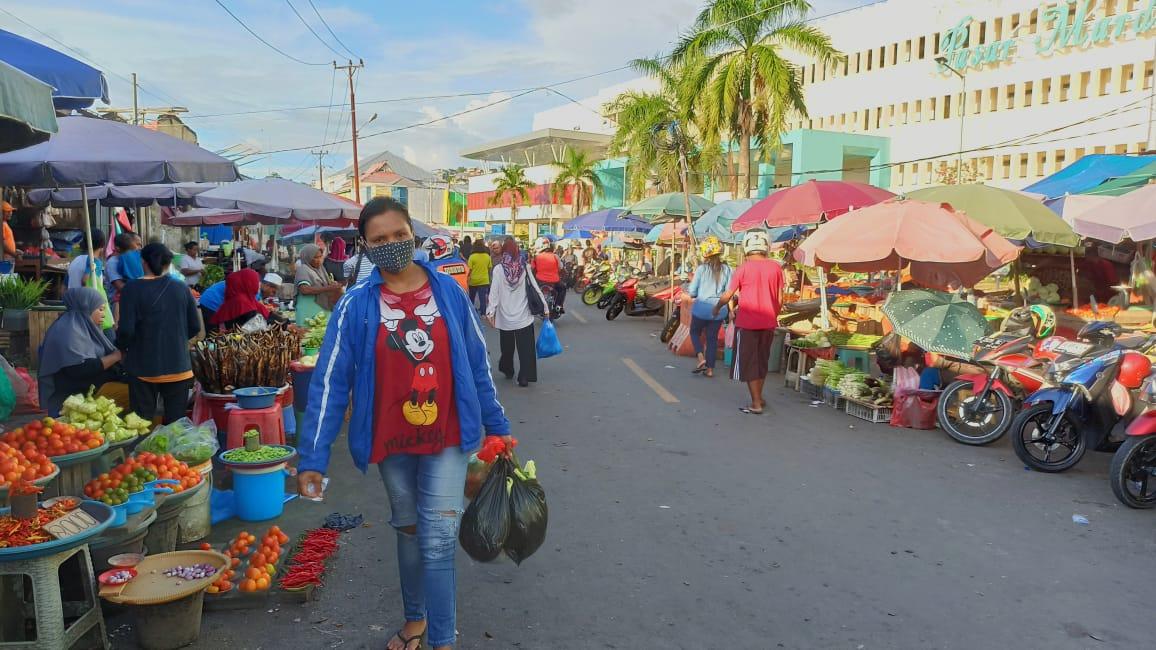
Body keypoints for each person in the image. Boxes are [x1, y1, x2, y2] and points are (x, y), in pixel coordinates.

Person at [297, 197, 511, 650]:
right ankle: (415, 620)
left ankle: (442, 640)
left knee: (435, 539)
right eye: (379, 240)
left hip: (449, 436)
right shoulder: (356, 305)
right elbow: (330, 381)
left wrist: (497, 425)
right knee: (410, 528)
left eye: (398, 235)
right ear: (366, 247)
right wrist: (312, 457)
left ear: (412, 234)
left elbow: (477, 364)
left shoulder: (449, 293)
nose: (391, 245)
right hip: (390, 440)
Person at [116, 243, 202, 424]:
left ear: (143, 262)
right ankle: (174, 453)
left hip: (143, 367)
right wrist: (175, 340)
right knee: (175, 424)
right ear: (168, 263)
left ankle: (143, 452)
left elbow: (126, 330)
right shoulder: (181, 287)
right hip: (178, 366)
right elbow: (194, 326)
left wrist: (122, 348)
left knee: (141, 423)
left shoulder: (131, 289)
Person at [713, 231, 784, 415]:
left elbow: (728, 294)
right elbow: (780, 298)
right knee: (761, 361)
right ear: (766, 246)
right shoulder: (776, 268)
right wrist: (772, 315)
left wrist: (717, 307)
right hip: (768, 323)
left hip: (747, 324)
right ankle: (759, 397)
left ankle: (756, 403)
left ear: (746, 247)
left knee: (749, 362)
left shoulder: (742, 269)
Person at [37, 288, 125, 416]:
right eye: (100, 309)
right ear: (86, 308)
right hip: (72, 399)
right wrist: (116, 356)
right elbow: (80, 369)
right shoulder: (67, 331)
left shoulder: (82, 326)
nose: (104, 314)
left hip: (87, 390)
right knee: (131, 393)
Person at [486, 237, 547, 387]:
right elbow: (535, 287)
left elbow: (494, 293)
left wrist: (490, 312)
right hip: (523, 315)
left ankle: (508, 369)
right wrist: (545, 307)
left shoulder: (499, 269)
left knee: (507, 347)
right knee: (526, 347)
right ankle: (524, 377)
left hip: (505, 316)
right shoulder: (524, 266)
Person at [687, 236, 733, 379]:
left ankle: (701, 357)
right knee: (712, 338)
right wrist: (730, 311)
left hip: (701, 309)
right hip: (719, 311)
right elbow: (729, 292)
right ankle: (710, 369)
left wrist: (695, 294)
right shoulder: (727, 269)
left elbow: (692, 291)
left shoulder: (701, 269)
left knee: (694, 332)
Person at [295, 244, 343, 327]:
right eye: (315, 257)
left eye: (320, 257)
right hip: (308, 311)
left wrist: (333, 285)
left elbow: (324, 286)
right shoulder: (303, 269)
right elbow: (304, 289)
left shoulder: (321, 269)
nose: (319, 260)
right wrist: (329, 288)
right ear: (307, 257)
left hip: (321, 311)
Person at [530, 237, 564, 314]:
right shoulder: (555, 256)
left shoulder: (536, 257)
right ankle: (558, 306)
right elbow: (561, 268)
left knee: (532, 291)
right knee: (562, 289)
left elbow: (532, 269)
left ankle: (534, 306)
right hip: (554, 281)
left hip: (540, 281)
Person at [466, 240, 492, 314]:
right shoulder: (487, 256)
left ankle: (471, 312)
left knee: (472, 297)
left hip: (473, 280)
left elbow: (469, 269)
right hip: (484, 280)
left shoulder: (472, 257)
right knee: (482, 298)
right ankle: (483, 313)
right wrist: (489, 278)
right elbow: (489, 268)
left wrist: (467, 279)